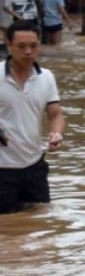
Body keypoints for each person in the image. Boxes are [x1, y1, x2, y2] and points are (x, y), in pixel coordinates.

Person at [0, 20, 66, 214]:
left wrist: (56, 133)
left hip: (34, 166)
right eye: (21, 46)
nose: (28, 51)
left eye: (33, 46)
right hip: (2, 169)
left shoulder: (46, 77)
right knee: (6, 225)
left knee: (39, 222)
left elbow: (56, 114)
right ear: (9, 45)